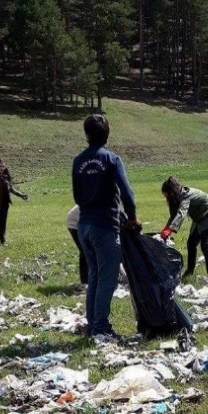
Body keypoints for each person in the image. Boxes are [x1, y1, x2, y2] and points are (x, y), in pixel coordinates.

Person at [71, 114, 140, 340]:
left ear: (87, 134)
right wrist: (132, 218)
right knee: (108, 278)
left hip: (84, 226)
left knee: (94, 276)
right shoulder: (111, 160)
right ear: (106, 134)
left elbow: (76, 195)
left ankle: (92, 324)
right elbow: (127, 194)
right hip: (105, 226)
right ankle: (100, 326)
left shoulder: (78, 161)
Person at [160, 177, 208, 277]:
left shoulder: (185, 196)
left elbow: (181, 213)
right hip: (199, 218)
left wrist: (170, 229)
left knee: (205, 245)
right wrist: (166, 229)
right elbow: (173, 215)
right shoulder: (179, 196)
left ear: (172, 193)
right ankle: (189, 271)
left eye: (167, 197)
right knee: (191, 243)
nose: (167, 199)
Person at [66, 204, 88, 286]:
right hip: (75, 224)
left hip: (84, 222)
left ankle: (88, 280)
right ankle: (85, 282)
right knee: (85, 252)